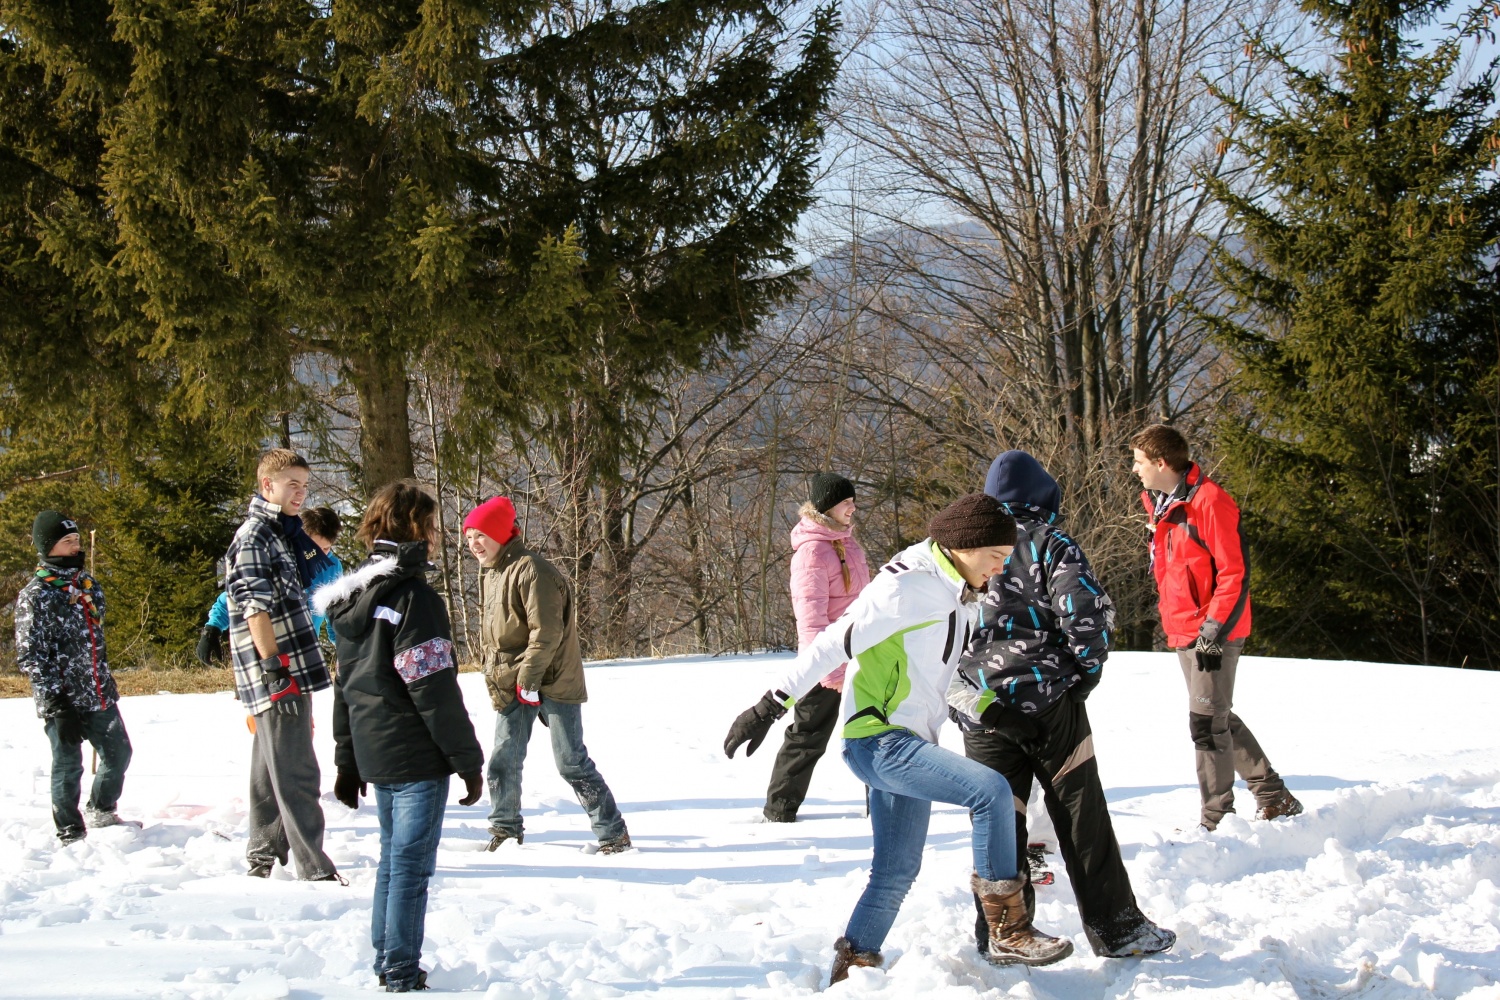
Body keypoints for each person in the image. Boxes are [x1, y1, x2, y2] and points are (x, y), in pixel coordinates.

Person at [725, 493, 1073, 984]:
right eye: (996, 556)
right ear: (966, 547)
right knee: (990, 791)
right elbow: (831, 643)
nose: (999, 569)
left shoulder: (956, 597)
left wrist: (995, 713)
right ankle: (1008, 929)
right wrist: (769, 706)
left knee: (895, 871)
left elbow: (941, 675)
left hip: (910, 742)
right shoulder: (905, 588)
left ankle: (851, 971)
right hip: (878, 738)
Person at [948, 451, 1175, 959]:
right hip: (1050, 701)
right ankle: (1118, 929)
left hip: (981, 705)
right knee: (1079, 813)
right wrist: (1085, 675)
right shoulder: (1051, 543)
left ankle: (1004, 933)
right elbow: (1085, 616)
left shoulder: (964, 548)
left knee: (999, 821)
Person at [316, 481, 485, 994]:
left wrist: (348, 761)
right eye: (430, 525)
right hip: (414, 753)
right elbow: (433, 689)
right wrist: (467, 758)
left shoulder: (353, 598)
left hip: (375, 750)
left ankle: (387, 961)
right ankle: (400, 970)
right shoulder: (414, 598)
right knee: (410, 867)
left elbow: (344, 688)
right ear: (415, 528)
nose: (435, 535)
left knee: (393, 861)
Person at [1130, 425, 1303, 831]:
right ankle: (1273, 795)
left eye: (1139, 461)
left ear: (1161, 463)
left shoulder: (1210, 501)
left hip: (1212, 631)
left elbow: (1234, 573)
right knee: (1216, 714)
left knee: (1206, 723)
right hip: (1183, 628)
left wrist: (1212, 632)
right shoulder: (1162, 504)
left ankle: (1217, 819)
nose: (1135, 469)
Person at [463, 496, 631, 855]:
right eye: (469, 537)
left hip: (553, 679)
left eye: (481, 536)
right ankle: (505, 828)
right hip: (513, 679)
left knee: (571, 762)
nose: (474, 544)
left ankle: (613, 834)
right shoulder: (492, 571)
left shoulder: (532, 570)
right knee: (504, 758)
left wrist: (528, 680)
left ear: (499, 534)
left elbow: (547, 632)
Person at [224, 448, 341, 880]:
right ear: (267, 485)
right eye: (292, 484)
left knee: (269, 764)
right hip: (277, 671)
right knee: (297, 770)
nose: (300, 493)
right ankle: (314, 868)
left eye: (304, 486)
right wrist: (274, 669)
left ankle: (263, 854)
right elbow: (254, 607)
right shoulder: (255, 536)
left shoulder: (282, 533)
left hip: (289, 666)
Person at [15, 511, 133, 845]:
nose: (76, 547)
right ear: (48, 546)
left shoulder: (87, 586)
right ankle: (70, 829)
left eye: (77, 540)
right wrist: (56, 701)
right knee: (68, 765)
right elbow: (31, 655)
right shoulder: (36, 595)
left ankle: (102, 809)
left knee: (119, 753)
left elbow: (97, 632)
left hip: (97, 691)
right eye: (68, 541)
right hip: (62, 698)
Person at [762, 473, 872, 823]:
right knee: (808, 736)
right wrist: (831, 670)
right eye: (846, 502)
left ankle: (884, 807)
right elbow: (810, 621)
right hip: (825, 665)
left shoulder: (848, 543)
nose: (852, 508)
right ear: (827, 506)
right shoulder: (811, 552)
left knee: (874, 732)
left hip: (860, 656)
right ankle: (779, 812)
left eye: (853, 501)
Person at [200, 506, 344, 664]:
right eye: (315, 548)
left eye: (326, 548)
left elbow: (335, 614)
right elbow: (239, 593)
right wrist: (212, 628)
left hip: (304, 655)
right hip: (266, 652)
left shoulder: (332, 566)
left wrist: (345, 648)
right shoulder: (279, 560)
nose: (320, 554)